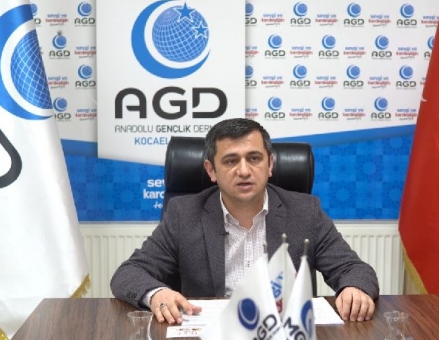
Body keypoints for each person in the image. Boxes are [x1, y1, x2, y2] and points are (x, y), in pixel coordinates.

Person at [110, 118, 379, 325]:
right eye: (230, 161)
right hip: (209, 338)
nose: (244, 171)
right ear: (211, 170)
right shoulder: (185, 213)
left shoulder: (304, 211)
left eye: (254, 158)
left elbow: (354, 269)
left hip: (283, 338)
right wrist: (156, 294)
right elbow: (128, 273)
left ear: (269, 165)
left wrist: (353, 288)